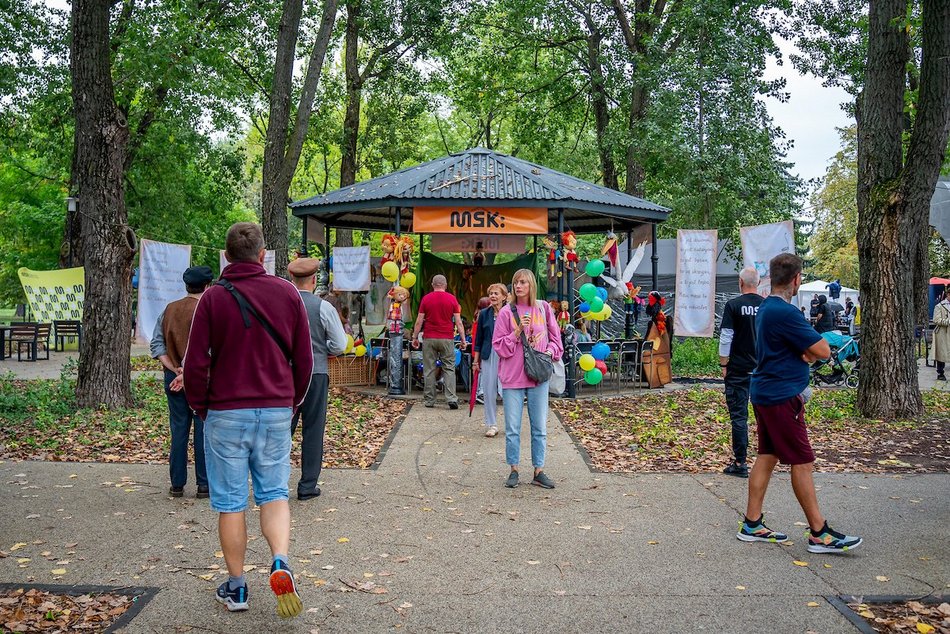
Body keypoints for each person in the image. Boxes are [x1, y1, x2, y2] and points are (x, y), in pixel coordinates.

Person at [183, 222, 313, 618]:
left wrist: (201, 408)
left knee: (230, 502)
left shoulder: (212, 299)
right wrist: (290, 403)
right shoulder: (287, 292)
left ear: (226, 256)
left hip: (225, 412)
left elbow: (195, 363)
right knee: (274, 493)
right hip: (275, 410)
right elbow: (303, 359)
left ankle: (237, 587)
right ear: (262, 256)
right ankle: (279, 560)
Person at [738, 253, 862, 554]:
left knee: (767, 456)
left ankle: (752, 523)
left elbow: (803, 350)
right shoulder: (786, 312)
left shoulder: (767, 307)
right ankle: (819, 532)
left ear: (771, 277)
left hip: (766, 391)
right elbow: (821, 349)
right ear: (796, 279)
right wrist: (807, 352)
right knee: (802, 460)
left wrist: (804, 352)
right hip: (781, 396)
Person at [492, 269, 563, 490]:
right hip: (513, 376)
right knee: (512, 427)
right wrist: (518, 331)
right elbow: (498, 346)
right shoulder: (506, 312)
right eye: (515, 282)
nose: (518, 286)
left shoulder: (543, 308)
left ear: (531, 284)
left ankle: (538, 471)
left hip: (538, 376)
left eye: (523, 282)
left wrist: (550, 352)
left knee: (539, 426)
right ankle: (513, 469)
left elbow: (555, 339)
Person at [287, 257, 348, 500]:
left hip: (285, 375)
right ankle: (307, 485)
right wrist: (325, 349)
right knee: (313, 429)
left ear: (292, 279)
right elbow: (340, 344)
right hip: (316, 372)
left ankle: (276, 483)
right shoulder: (324, 307)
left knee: (282, 429)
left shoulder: (280, 304)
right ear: (314, 280)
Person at [150, 265, 213, 498]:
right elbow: (212, 349)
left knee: (178, 429)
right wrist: (187, 372)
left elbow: (157, 345)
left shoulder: (169, 310)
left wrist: (175, 370)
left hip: (173, 377)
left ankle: (177, 483)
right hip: (202, 377)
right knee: (202, 429)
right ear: (207, 286)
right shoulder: (208, 310)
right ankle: (203, 484)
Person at [718, 267, 763, 479]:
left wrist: (723, 364)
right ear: (759, 282)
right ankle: (767, 460)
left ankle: (740, 462)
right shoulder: (766, 306)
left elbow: (726, 335)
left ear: (740, 282)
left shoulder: (733, 305)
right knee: (766, 416)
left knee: (739, 417)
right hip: (763, 369)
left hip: (738, 368)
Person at [411, 274, 466, 409]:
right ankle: (451, 398)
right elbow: (458, 322)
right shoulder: (452, 299)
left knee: (429, 369)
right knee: (449, 368)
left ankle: (430, 400)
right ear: (445, 285)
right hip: (447, 338)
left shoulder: (426, 299)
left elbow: (419, 321)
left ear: (433, 285)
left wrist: (414, 337)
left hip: (429, 337)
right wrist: (463, 339)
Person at [472, 283, 508, 437]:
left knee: (508, 390)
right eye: (491, 293)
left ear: (504, 297)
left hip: (507, 354)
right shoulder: (484, 314)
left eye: (496, 293)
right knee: (488, 390)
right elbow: (478, 339)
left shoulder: (510, 312)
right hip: (488, 353)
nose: (493, 296)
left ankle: (511, 424)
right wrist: (476, 361)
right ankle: (491, 424)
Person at [932, 289, 949, 381]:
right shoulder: (940, 306)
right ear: (948, 295)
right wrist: (948, 321)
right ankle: (940, 373)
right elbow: (936, 320)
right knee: (942, 353)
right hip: (943, 333)